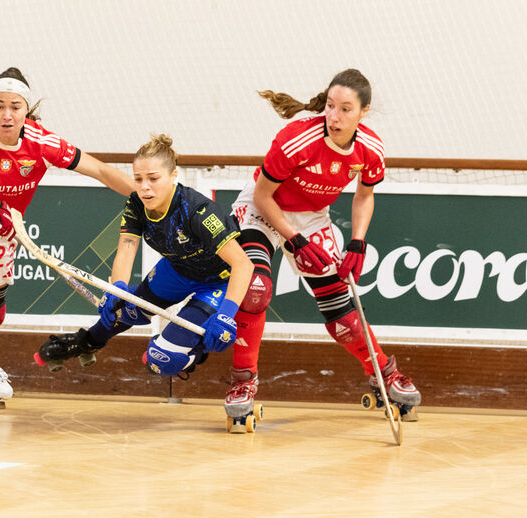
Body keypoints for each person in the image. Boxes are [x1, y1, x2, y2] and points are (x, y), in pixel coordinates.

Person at [0, 67, 135, 419]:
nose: (6, 114)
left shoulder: (42, 142)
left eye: (15, 106)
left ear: (26, 109)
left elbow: (99, 170)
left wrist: (147, 197)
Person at [229, 69, 422, 421]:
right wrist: (294, 238)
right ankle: (243, 381)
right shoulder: (296, 139)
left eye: (346, 109)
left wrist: (358, 243)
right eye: (331, 106)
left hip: (313, 216)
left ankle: (383, 373)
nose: (334, 116)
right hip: (263, 210)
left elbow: (365, 196)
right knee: (255, 289)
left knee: (341, 310)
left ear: (364, 111)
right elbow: (263, 194)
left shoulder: (370, 149)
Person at [37, 134, 253, 383]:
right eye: (138, 179)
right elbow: (127, 249)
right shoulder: (137, 203)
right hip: (177, 271)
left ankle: (196, 351)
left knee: (162, 359)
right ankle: (87, 342)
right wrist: (117, 289)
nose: (144, 187)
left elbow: (242, 264)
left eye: (153, 178)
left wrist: (226, 314)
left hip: (217, 280)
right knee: (125, 310)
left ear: (173, 176)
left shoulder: (198, 211)